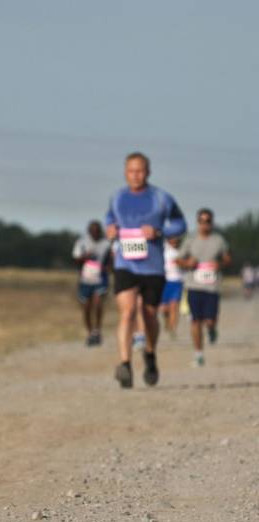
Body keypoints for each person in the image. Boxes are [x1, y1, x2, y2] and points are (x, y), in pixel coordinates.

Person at [106, 152, 186, 388]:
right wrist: (110, 229)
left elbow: (180, 224)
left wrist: (160, 231)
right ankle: (125, 365)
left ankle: (150, 355)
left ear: (148, 172)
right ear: (125, 172)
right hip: (125, 264)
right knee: (128, 312)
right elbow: (109, 219)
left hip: (152, 266)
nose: (135, 175)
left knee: (149, 315)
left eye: (140, 171)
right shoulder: (117, 197)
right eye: (131, 171)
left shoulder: (161, 198)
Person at [177, 209, 231, 366]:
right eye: (202, 221)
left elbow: (227, 259)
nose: (205, 224)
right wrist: (187, 263)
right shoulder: (190, 240)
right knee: (195, 321)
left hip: (212, 287)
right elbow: (178, 260)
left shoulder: (218, 240)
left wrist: (219, 264)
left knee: (209, 320)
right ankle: (198, 354)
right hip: (193, 285)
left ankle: (212, 329)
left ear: (212, 222)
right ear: (197, 222)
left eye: (208, 221)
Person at [72, 220, 111, 345]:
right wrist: (85, 257)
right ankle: (90, 333)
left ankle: (97, 330)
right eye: (93, 231)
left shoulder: (106, 243)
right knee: (87, 307)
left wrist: (108, 268)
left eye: (97, 231)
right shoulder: (81, 242)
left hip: (100, 279)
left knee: (98, 303)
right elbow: (75, 258)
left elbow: (111, 259)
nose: (95, 233)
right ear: (89, 232)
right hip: (85, 279)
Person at [159, 236, 185, 338]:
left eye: (176, 238)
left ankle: (173, 329)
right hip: (164, 281)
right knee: (165, 308)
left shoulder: (183, 249)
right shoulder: (163, 247)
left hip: (178, 281)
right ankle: (167, 321)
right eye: (172, 238)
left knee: (174, 306)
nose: (174, 240)